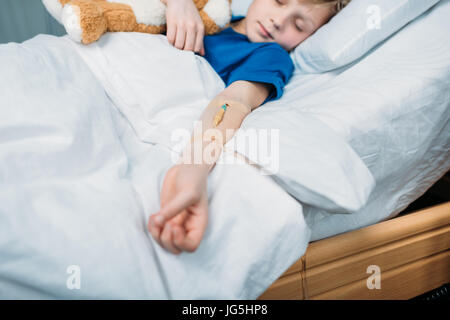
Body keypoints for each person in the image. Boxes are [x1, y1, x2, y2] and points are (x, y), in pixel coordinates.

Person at [148, 0, 350, 254]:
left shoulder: (269, 55)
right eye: (279, 1)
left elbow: (234, 101)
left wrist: (193, 168)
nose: (279, 20)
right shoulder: (214, 11)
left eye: (299, 26)